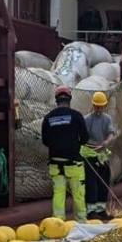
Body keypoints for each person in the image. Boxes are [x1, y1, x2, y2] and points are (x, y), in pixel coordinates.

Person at [41, 86, 89, 221]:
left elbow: (45, 140)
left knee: (58, 193)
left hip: (55, 163)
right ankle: (81, 222)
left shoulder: (48, 118)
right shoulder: (77, 116)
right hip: (74, 163)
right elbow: (85, 138)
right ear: (70, 99)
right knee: (78, 194)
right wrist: (74, 145)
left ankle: (57, 222)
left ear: (56, 100)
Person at [82, 90, 116, 219]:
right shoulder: (87, 119)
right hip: (89, 153)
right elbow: (83, 138)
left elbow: (111, 133)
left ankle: (101, 209)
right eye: (96, 106)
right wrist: (91, 146)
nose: (98, 109)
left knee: (104, 180)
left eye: (101, 106)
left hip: (102, 153)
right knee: (91, 181)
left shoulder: (107, 119)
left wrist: (106, 142)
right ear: (93, 105)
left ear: (104, 106)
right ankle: (91, 211)